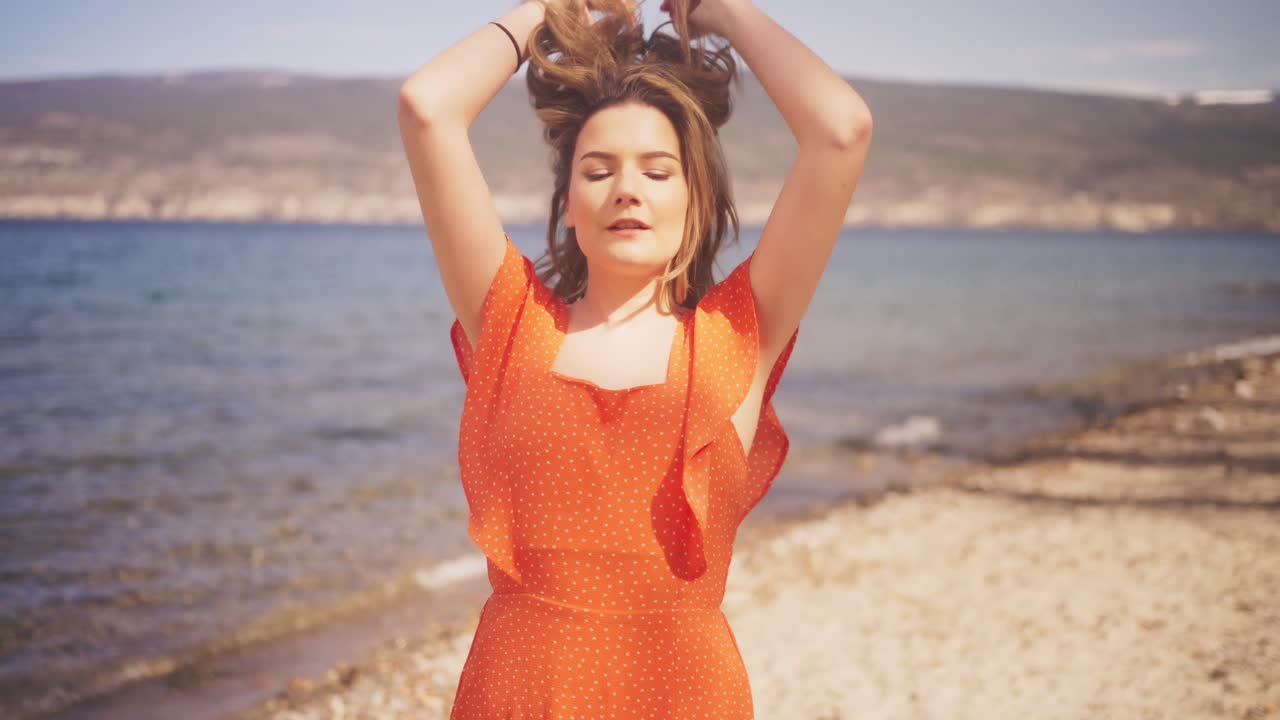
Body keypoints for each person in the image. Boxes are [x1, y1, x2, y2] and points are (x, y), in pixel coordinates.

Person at [397, 0, 871, 715]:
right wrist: (549, 12)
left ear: (697, 200)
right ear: (567, 206)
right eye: (598, 171)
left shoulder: (738, 334)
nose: (627, 190)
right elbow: (427, 106)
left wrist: (723, 13)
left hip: (681, 697)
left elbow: (843, 130)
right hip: (521, 693)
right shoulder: (512, 324)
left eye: (657, 171)